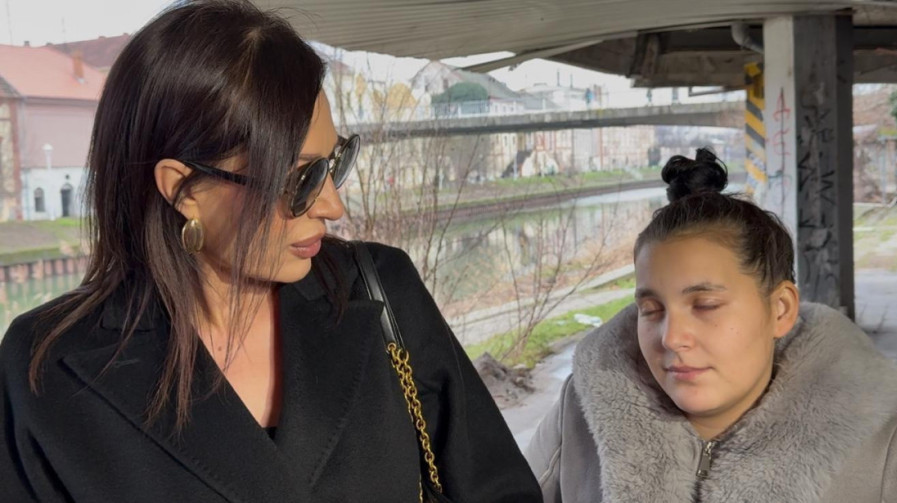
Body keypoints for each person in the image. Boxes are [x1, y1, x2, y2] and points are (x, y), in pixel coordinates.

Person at [0, 2, 541, 501]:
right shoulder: (47, 368)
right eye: (299, 178)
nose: (332, 206)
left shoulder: (379, 288)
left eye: (333, 164)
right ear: (185, 190)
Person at [525, 148, 897, 502]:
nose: (672, 338)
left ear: (780, 309)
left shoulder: (885, 443)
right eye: (651, 309)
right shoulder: (579, 413)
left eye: (705, 305)